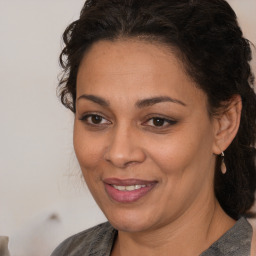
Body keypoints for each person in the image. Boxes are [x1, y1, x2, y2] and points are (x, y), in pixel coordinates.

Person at [51, 0, 256, 255]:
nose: (119, 154)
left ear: (224, 124)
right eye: (96, 118)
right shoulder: (71, 251)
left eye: (158, 121)